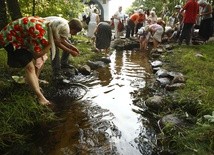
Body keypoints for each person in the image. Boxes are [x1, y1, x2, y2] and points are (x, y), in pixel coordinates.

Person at [0, 16, 80, 105]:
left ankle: (35, 80)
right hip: (10, 38)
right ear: (56, 33)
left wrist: (69, 46)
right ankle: (40, 98)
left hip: (22, 37)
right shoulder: (39, 33)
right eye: (61, 37)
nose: (62, 40)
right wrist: (51, 43)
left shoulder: (53, 27)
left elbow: (59, 39)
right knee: (30, 67)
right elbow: (37, 54)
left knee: (41, 59)